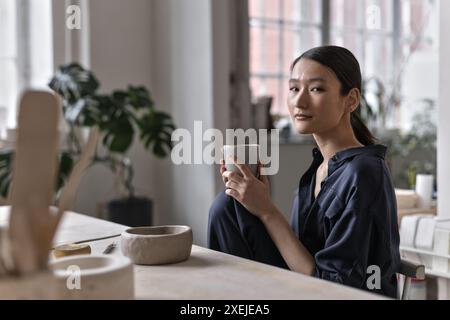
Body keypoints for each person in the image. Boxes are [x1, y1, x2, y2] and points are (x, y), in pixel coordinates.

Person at [207, 45, 400, 298]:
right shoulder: (317, 170)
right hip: (304, 287)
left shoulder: (364, 173)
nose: (299, 100)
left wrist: (267, 211)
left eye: (316, 89)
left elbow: (332, 285)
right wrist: (253, 200)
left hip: (337, 295)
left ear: (351, 100)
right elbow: (300, 257)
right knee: (228, 206)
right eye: (294, 88)